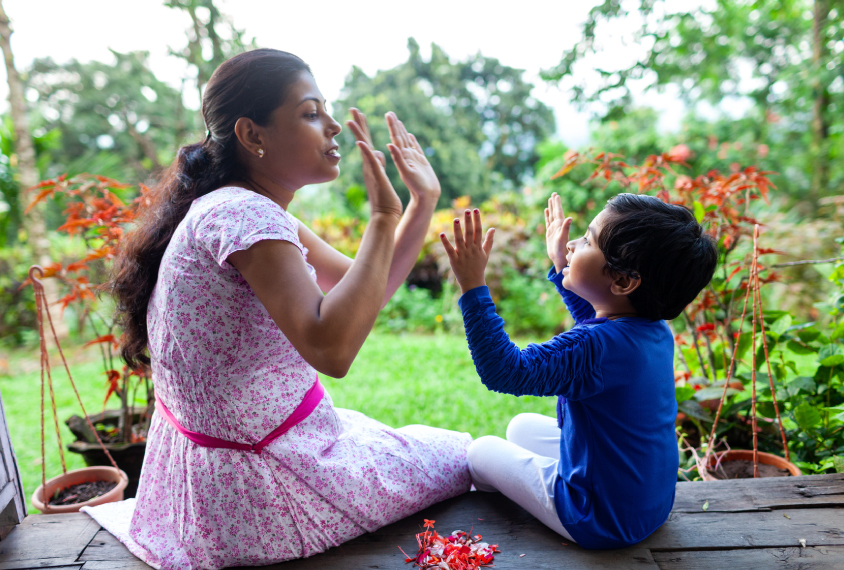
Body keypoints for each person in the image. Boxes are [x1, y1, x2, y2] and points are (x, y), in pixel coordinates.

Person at [81, 49, 471, 569]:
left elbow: (363, 289)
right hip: (265, 492)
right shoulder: (243, 215)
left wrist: (420, 205)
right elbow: (333, 348)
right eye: (311, 113)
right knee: (466, 454)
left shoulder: (235, 204)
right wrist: (382, 215)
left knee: (436, 447)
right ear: (253, 134)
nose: (332, 126)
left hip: (221, 486)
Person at [439, 192, 717, 549]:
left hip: (599, 519)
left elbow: (504, 370)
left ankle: (511, 516)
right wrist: (562, 266)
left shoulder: (596, 347)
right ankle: (546, 484)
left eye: (587, 240)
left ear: (622, 281)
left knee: (480, 451)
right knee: (519, 426)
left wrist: (472, 287)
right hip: (648, 506)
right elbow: (598, 324)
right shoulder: (652, 330)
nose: (571, 244)